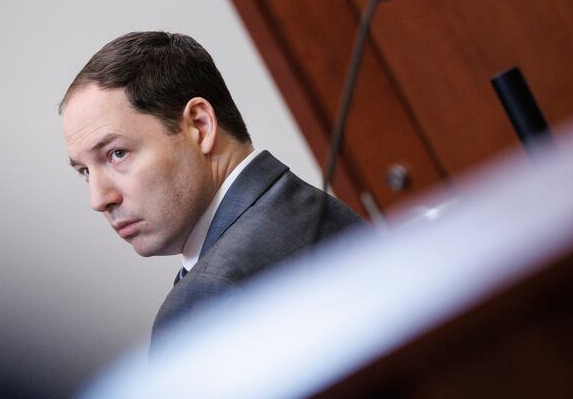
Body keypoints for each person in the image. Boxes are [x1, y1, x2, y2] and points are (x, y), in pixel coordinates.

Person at [60, 31, 364, 346]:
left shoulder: (210, 294)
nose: (99, 199)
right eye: (84, 171)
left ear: (200, 126)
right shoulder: (310, 209)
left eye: (117, 154)